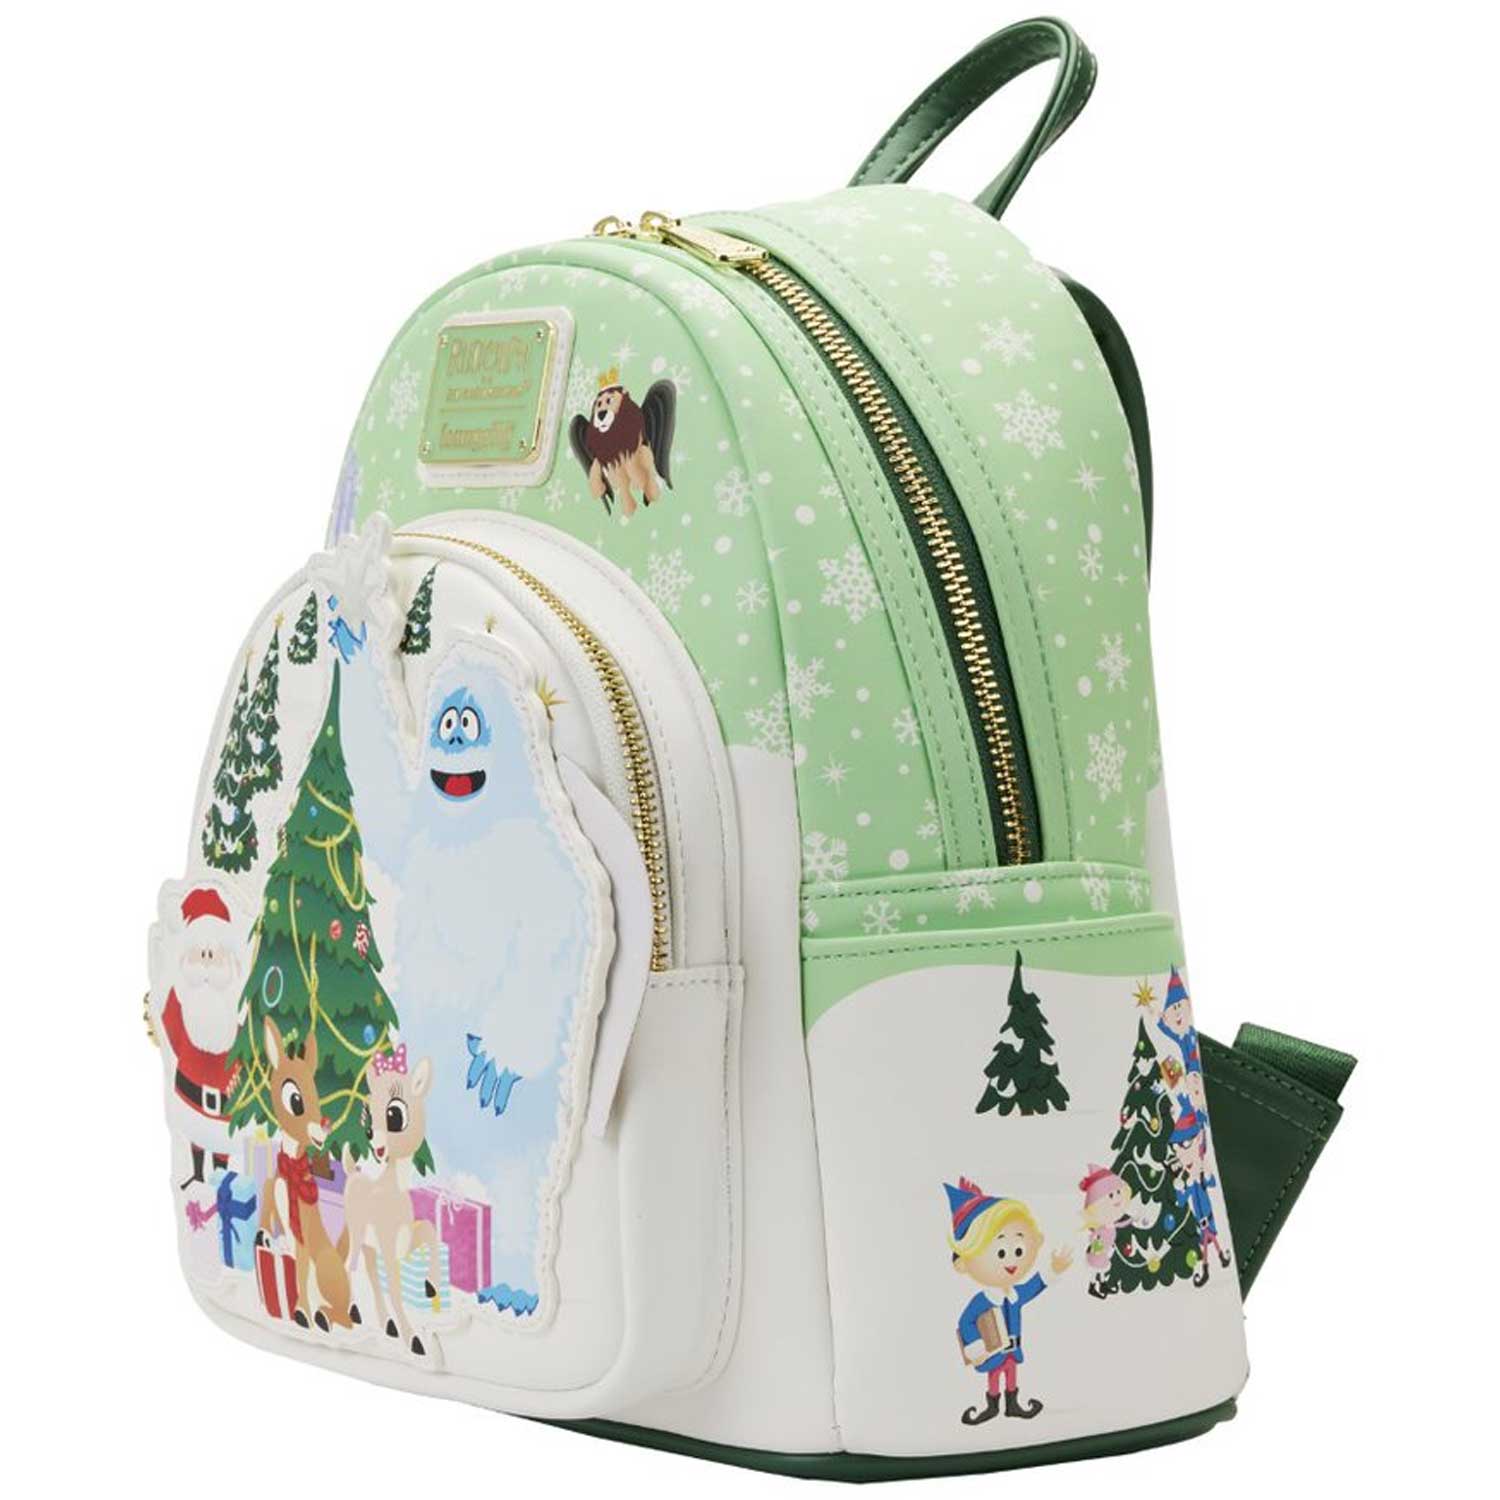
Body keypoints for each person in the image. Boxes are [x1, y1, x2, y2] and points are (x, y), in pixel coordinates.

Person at [945, 1177, 1072, 1425]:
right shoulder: (983, 1299)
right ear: (963, 1262)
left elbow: (1033, 1287)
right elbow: (966, 1321)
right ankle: (992, 1405)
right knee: (995, 1376)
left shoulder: (1014, 1294)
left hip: (1012, 1349)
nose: (1011, 1261)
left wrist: (1052, 1270)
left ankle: (1012, 1404)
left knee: (1011, 1374)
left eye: (1019, 1250)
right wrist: (976, 1345)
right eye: (1001, 1252)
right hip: (994, 1351)